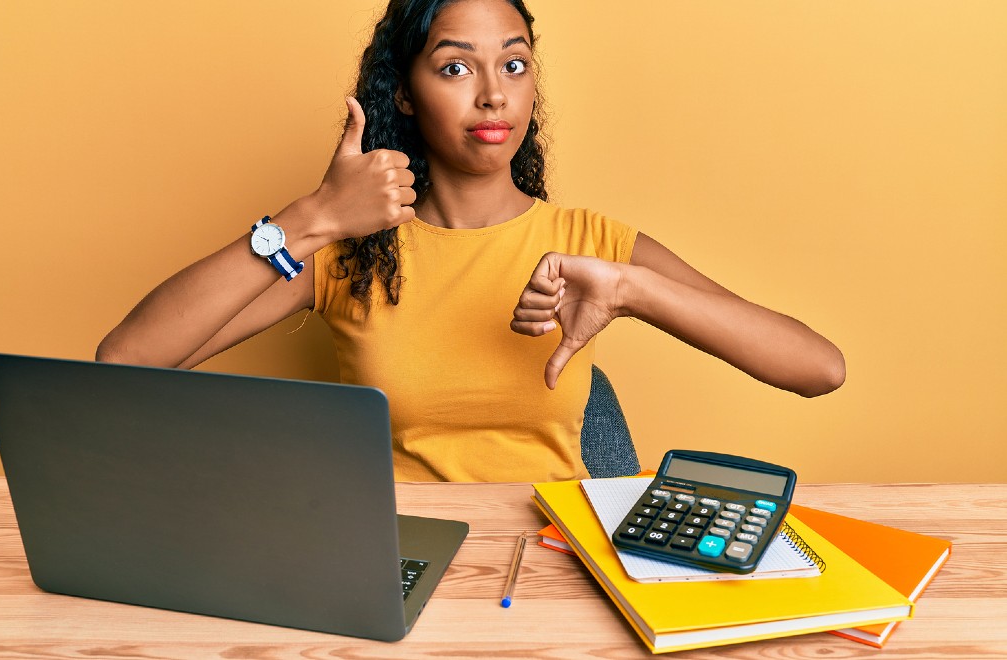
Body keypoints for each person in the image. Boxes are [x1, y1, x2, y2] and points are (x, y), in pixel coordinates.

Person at [97, 0, 845, 482]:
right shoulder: (347, 251)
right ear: (402, 93)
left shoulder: (586, 241)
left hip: (559, 561)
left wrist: (632, 289)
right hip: (401, 564)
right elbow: (126, 361)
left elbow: (818, 367)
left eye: (514, 64)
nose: (494, 93)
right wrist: (314, 217)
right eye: (456, 67)